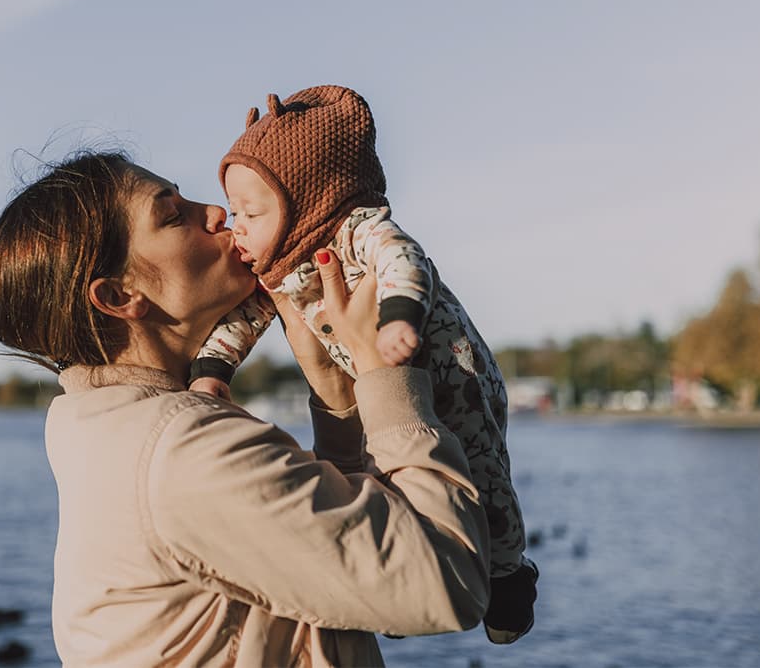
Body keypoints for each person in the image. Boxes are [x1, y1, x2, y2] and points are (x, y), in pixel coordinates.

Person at [0, 149, 492, 666]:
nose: (217, 213)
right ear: (118, 295)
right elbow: (448, 581)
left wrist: (334, 397)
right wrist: (383, 369)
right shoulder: (182, 450)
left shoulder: (103, 429)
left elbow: (352, 581)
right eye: (173, 215)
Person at [187, 85, 538, 643]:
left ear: (310, 200)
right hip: (385, 388)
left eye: (252, 212)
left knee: (483, 468)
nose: (238, 227)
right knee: (384, 473)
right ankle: (400, 588)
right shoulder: (276, 267)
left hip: (454, 372)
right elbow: (242, 320)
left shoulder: (354, 230)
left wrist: (399, 316)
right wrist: (212, 370)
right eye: (235, 211)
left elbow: (403, 258)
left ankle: (509, 573)